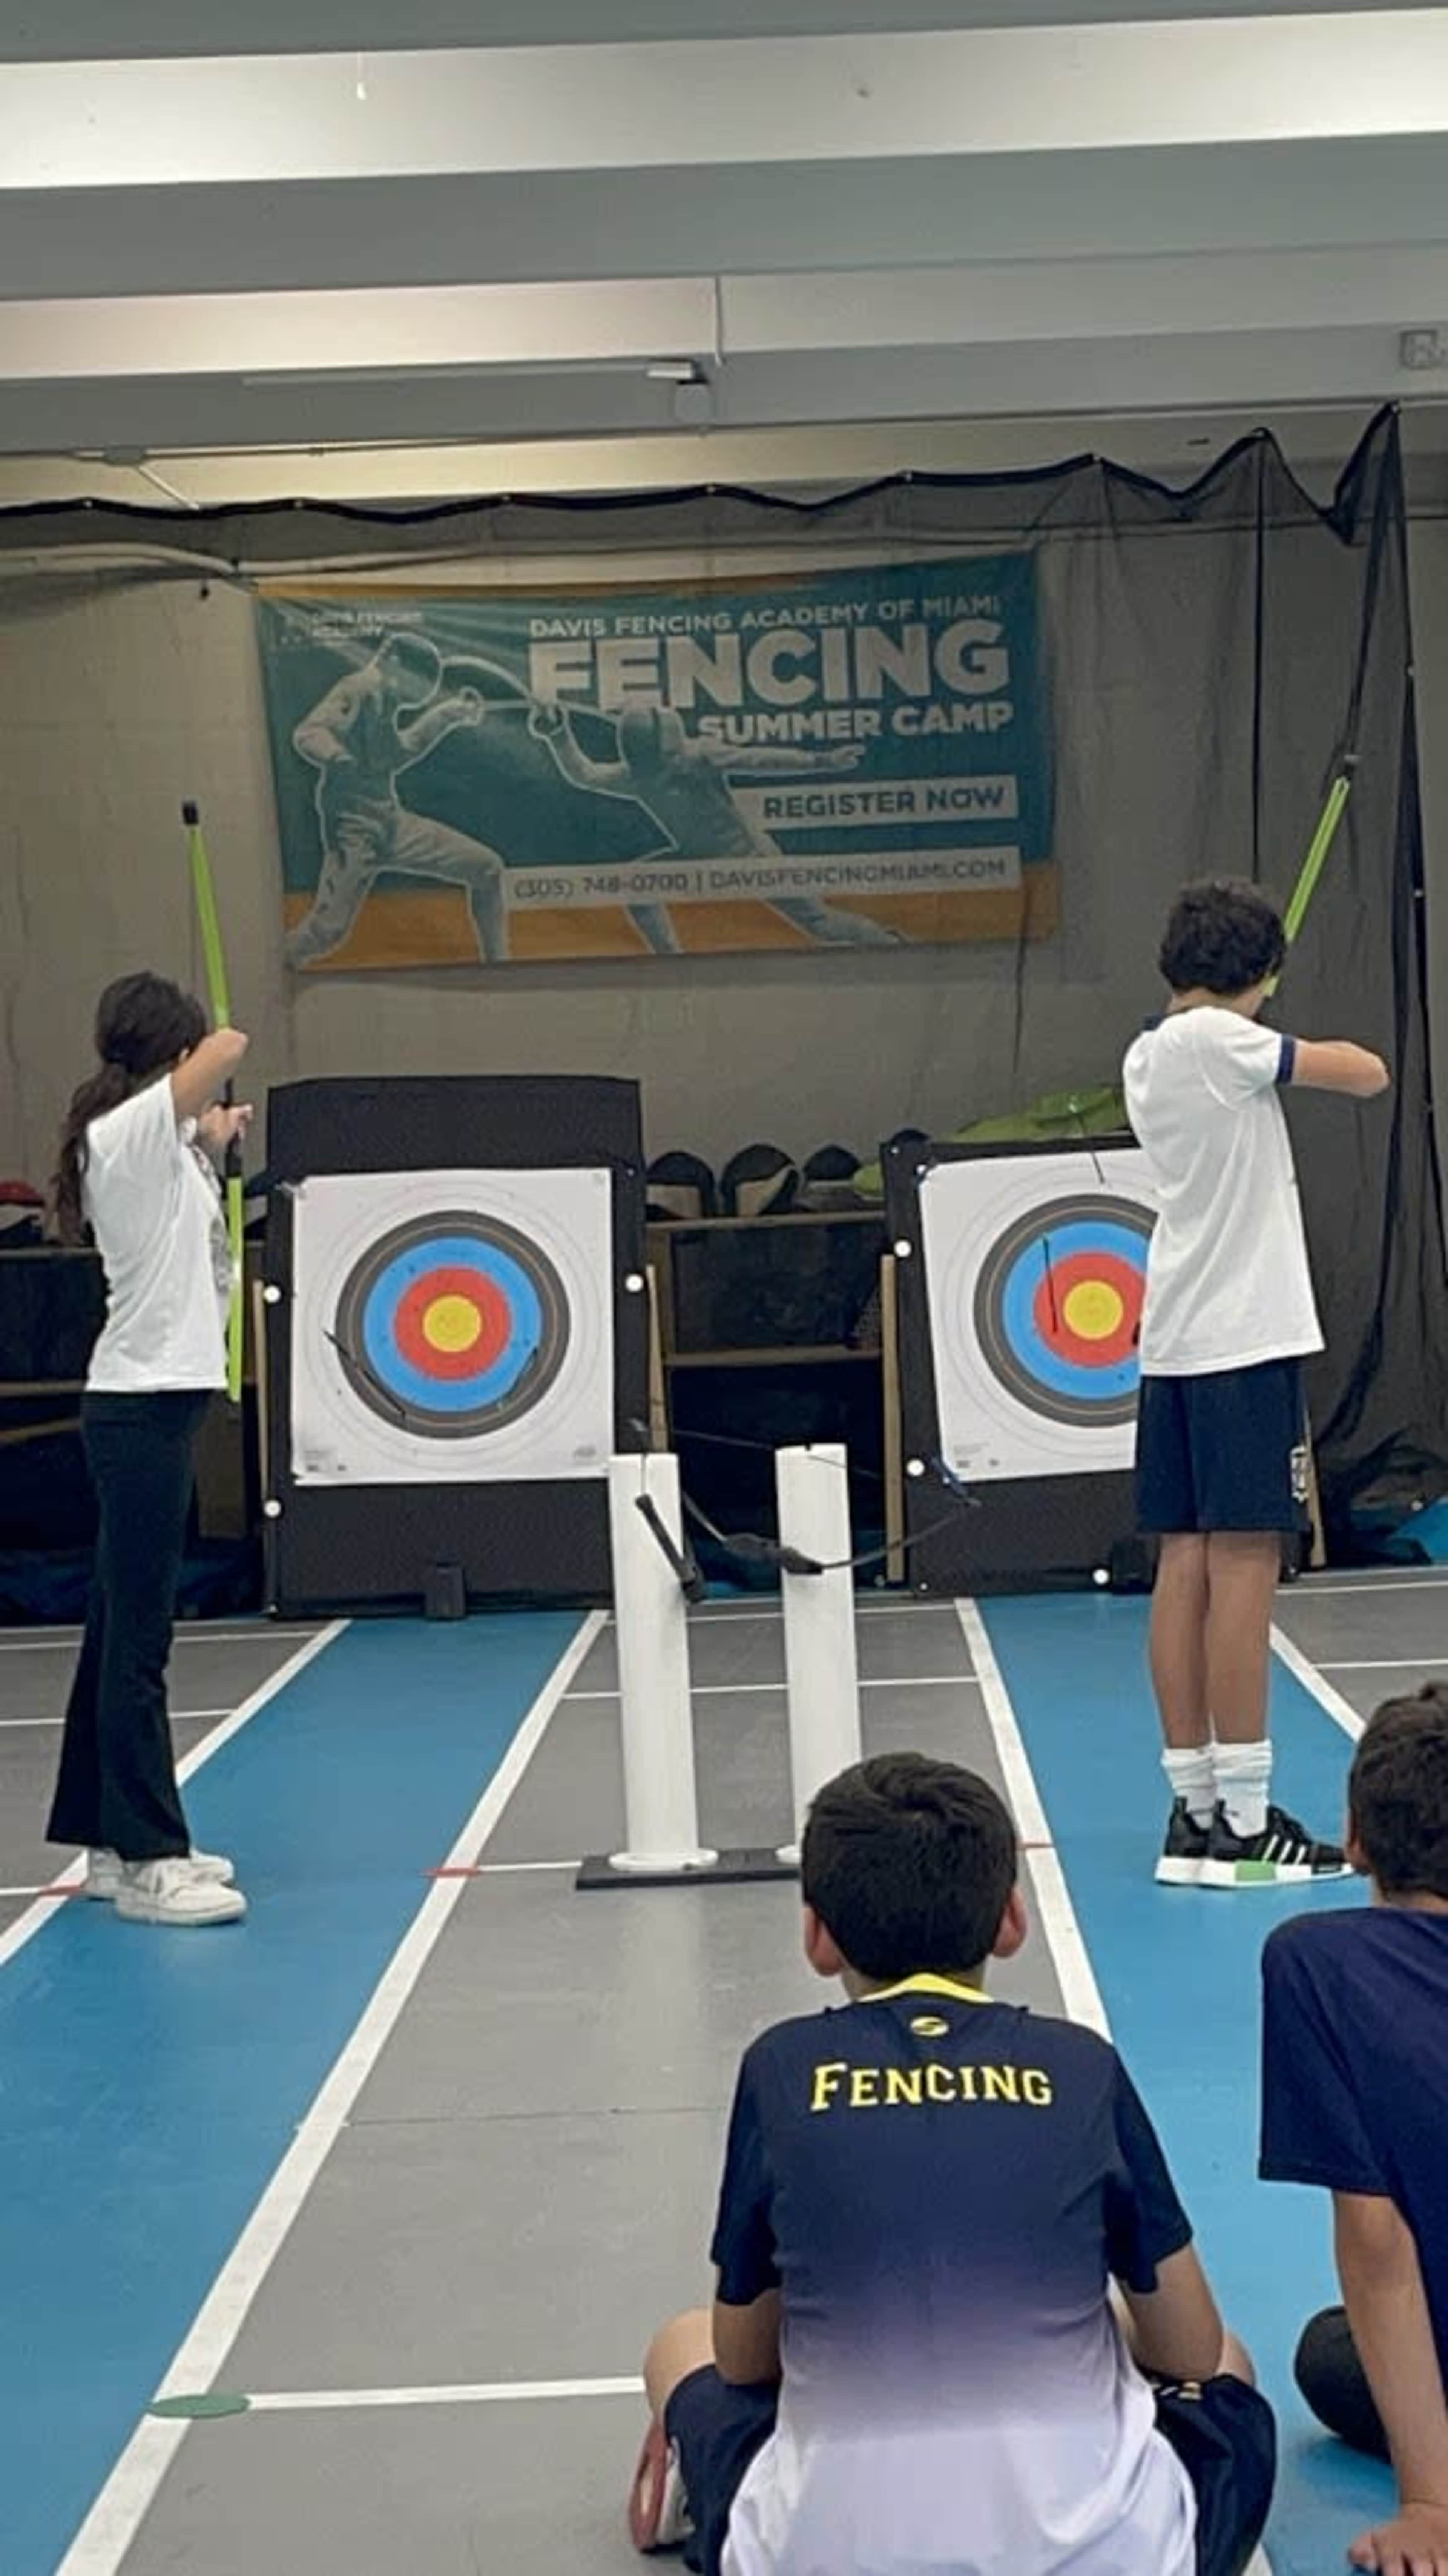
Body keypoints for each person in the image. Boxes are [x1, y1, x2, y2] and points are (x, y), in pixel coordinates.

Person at [630, 1751, 1275, 2576]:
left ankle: (707, 2484)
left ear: (817, 1936)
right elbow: (1190, 2348)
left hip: (819, 2559)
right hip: (1109, 2560)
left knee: (680, 2348)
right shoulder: (1081, 2066)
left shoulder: (780, 2070)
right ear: (1012, 1919)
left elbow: (745, 2357)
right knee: (1229, 2367)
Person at [1123, 878, 1390, 1889]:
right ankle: (1241, 1814)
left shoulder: (1151, 1047)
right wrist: (1264, 1005)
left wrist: (1256, 991)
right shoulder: (1217, 1044)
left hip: (1183, 1341)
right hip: (1241, 1341)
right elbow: (1365, 1073)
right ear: (1257, 973)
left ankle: (1194, 1810)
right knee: (1245, 1565)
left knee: (1182, 1564)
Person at [47, 972, 252, 1927]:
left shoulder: (157, 1142)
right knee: (140, 1642)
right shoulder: (123, 1132)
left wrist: (208, 1143)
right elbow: (229, 1048)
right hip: (136, 1410)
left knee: (112, 1630)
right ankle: (150, 1854)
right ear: (171, 1056)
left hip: (158, 1407)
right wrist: (210, 1057)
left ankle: (101, 1836)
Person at [1260, 1685, 1448, 2576]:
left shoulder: (1316, 1961)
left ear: (1356, 1836)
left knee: (1325, 2351)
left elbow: (1375, 2240)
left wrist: (1429, 2503)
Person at [528, 699, 903, 951]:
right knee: (638, 885)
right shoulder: (638, 774)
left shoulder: (699, 756)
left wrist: (821, 761)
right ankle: (670, 960)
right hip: (695, 858)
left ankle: (890, 943)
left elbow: (757, 759)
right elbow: (585, 775)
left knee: (820, 924)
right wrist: (558, 734)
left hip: (751, 859)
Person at [286, 632, 509, 966]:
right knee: (327, 932)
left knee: (487, 868)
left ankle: (499, 965)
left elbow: (397, 753)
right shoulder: (359, 687)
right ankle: (272, 963)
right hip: (354, 826)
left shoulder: (385, 699)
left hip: (392, 821)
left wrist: (451, 713)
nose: (418, 692)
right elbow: (309, 732)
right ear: (396, 663)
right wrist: (336, 757)